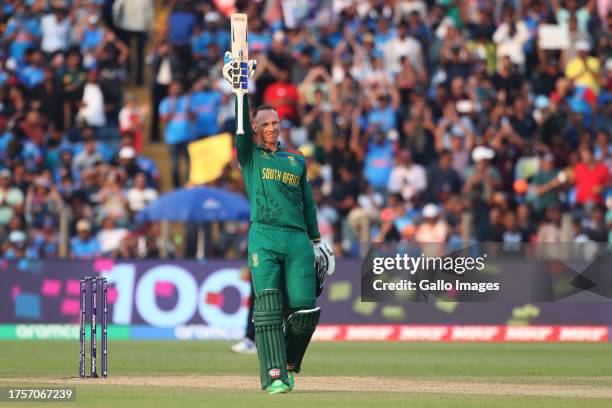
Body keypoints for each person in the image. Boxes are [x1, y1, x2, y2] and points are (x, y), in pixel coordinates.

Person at [222, 52, 335, 394]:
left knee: (305, 310)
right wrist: (241, 90)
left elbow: (308, 202)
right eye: (265, 124)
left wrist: (317, 240)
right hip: (264, 236)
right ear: (256, 128)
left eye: (275, 123)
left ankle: (286, 363)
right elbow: (240, 127)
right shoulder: (250, 156)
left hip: (298, 239)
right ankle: (273, 377)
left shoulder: (296, 160)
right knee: (268, 307)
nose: (271, 128)